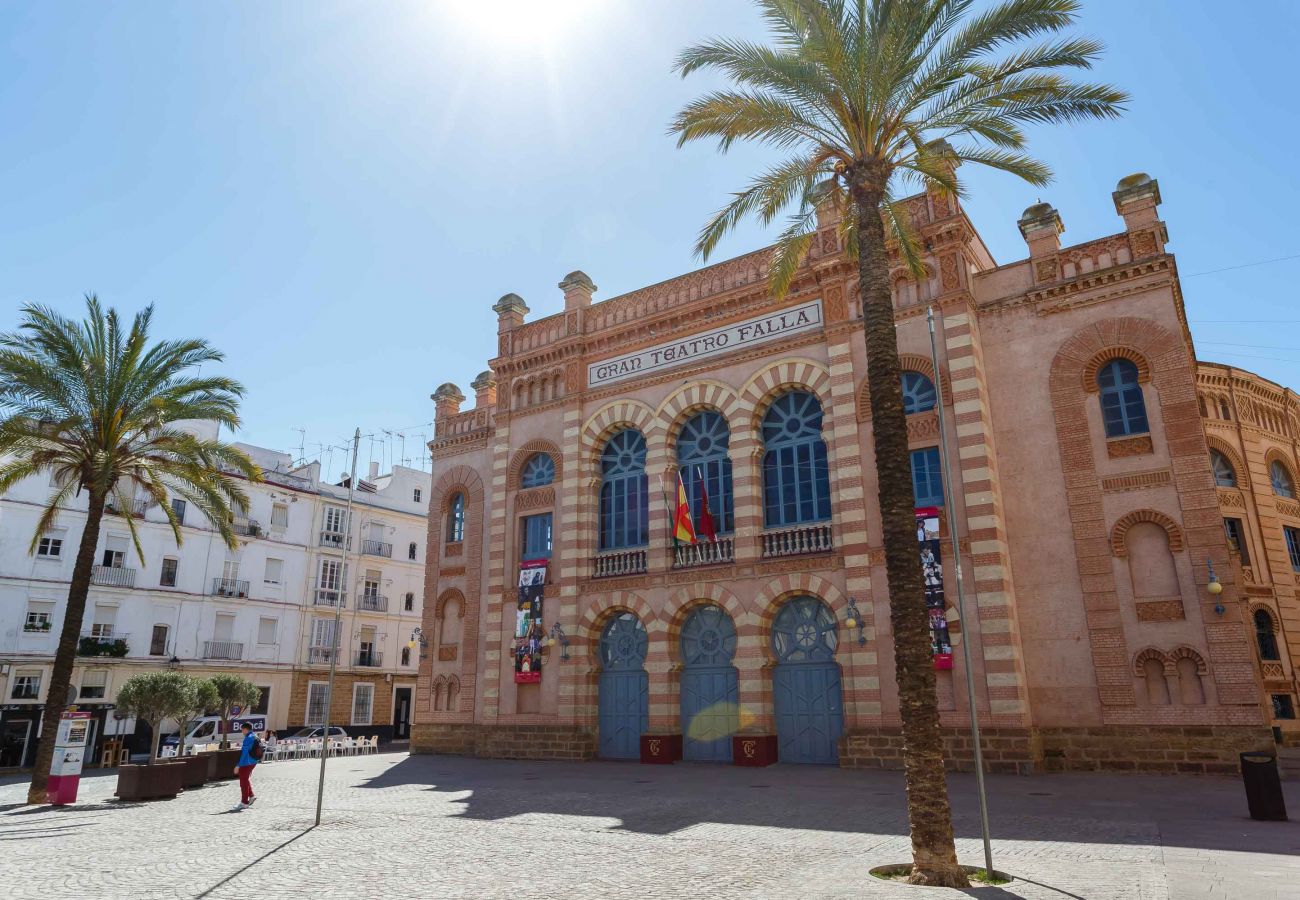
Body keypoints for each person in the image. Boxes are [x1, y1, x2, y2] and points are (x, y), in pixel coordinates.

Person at [233, 722, 260, 809]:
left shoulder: (248, 738)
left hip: (246, 762)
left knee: (243, 782)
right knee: (245, 779)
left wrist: (238, 765)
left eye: (242, 730)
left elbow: (244, 753)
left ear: (245, 729)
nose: (242, 732)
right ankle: (251, 796)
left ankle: (244, 802)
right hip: (253, 761)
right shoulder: (255, 736)